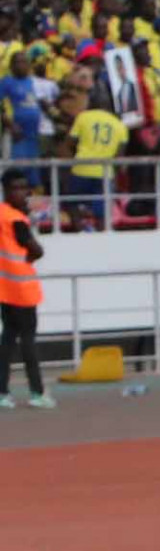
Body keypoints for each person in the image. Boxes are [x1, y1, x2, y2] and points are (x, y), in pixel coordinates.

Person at [0, 168, 51, 409]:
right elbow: (36, 250)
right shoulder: (17, 219)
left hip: (5, 288)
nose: (21, 193)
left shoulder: (3, 214)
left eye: (23, 188)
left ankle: (2, 393)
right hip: (22, 288)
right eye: (16, 188)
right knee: (28, 340)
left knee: (7, 340)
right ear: (6, 190)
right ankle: (37, 392)